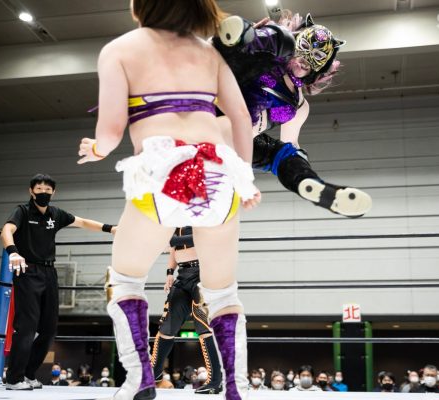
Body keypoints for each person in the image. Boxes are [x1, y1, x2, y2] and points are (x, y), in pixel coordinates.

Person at [76, 0, 260, 399]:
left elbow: (110, 131)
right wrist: (244, 177)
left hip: (162, 169)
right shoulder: (209, 53)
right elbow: (242, 118)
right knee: (223, 293)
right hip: (218, 171)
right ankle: (237, 389)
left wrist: (96, 149)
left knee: (125, 279)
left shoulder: (120, 49)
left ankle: (140, 379)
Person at [213, 12, 372, 218]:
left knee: (285, 155)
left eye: (317, 57)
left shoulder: (299, 105)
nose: (305, 60)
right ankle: (235, 38)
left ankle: (309, 184)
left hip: (242, 146)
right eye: (304, 48)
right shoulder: (270, 57)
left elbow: (290, 143)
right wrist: (245, 38)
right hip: (217, 120)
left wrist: (299, 166)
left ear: (321, 69)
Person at [0, 173, 116, 390]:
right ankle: (14, 378)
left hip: (49, 273)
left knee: (49, 329)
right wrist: (13, 252)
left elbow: (82, 222)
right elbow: (7, 230)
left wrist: (111, 228)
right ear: (31, 191)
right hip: (27, 271)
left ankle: (28, 374)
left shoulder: (56, 214)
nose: (43, 193)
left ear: (53, 192)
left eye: (47, 190)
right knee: (26, 326)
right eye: (39, 189)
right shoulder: (22, 211)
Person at [150, 227, 223, 394]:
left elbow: (199, 237)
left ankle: (215, 381)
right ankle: (155, 372)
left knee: (203, 326)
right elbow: (174, 249)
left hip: (203, 274)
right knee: (167, 325)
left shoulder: (202, 216)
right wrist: (170, 272)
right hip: (182, 275)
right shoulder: (174, 221)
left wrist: (167, 240)